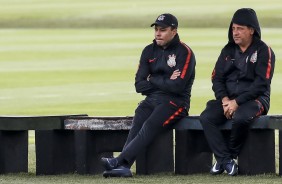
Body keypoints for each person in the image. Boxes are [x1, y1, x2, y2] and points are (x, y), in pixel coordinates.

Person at [101, 13, 196, 177]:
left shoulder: (185, 52)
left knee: (149, 125)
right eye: (157, 30)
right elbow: (139, 85)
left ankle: (118, 161)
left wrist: (151, 78)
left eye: (163, 30)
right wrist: (164, 80)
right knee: (138, 120)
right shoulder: (148, 51)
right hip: (151, 99)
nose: (158, 33)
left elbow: (178, 86)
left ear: (174, 31)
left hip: (176, 103)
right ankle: (124, 167)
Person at [200, 8, 275, 176]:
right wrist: (225, 99)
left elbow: (262, 84)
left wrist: (237, 102)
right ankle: (226, 160)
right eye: (233, 28)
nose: (235, 32)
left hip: (256, 100)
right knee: (206, 117)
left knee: (241, 117)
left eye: (240, 28)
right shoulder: (227, 50)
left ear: (251, 30)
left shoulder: (264, 51)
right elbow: (216, 78)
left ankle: (226, 157)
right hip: (228, 100)